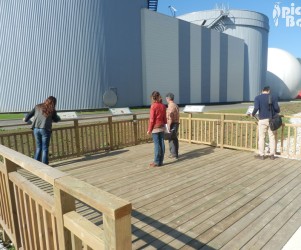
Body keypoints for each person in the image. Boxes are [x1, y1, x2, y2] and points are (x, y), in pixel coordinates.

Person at [24, 96, 60, 164]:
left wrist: (25, 119)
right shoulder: (52, 110)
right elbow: (56, 119)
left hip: (36, 129)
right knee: (45, 148)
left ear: (46, 100)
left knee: (38, 147)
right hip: (45, 129)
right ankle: (44, 164)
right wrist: (57, 117)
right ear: (54, 103)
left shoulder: (37, 106)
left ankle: (36, 164)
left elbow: (28, 116)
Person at [251, 86, 280, 160]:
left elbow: (256, 108)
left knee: (261, 137)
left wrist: (253, 114)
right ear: (269, 91)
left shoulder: (257, 98)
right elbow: (277, 109)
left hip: (262, 120)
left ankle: (262, 155)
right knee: (272, 137)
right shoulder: (273, 97)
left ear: (262, 90)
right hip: (272, 120)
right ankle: (272, 155)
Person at [147, 91, 167, 167]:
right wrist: (165, 126)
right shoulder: (163, 106)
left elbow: (152, 120)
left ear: (152, 98)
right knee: (162, 144)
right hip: (162, 127)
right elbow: (164, 118)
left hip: (155, 128)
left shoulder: (153, 106)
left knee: (156, 145)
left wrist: (149, 129)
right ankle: (161, 161)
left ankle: (156, 161)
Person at [166, 92, 180, 159]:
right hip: (176, 123)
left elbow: (170, 116)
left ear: (168, 98)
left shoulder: (170, 105)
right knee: (175, 138)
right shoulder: (175, 105)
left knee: (171, 139)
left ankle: (173, 154)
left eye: (166, 98)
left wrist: (168, 126)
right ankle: (176, 153)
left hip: (172, 124)